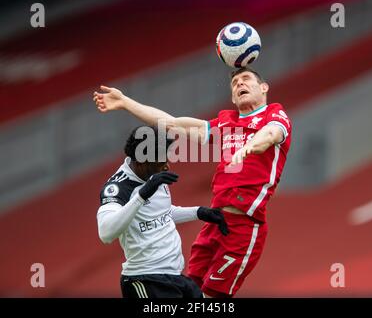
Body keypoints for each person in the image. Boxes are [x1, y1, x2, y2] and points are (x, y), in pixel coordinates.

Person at [93, 67, 292, 297]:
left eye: (246, 79)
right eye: (235, 83)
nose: (239, 84)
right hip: (215, 222)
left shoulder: (275, 115)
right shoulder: (226, 124)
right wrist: (126, 102)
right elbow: (173, 124)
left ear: (264, 87)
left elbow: (270, 135)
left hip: (244, 225)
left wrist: (247, 148)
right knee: (190, 292)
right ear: (232, 97)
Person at [96, 126, 229, 298]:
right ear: (142, 162)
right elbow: (106, 233)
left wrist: (199, 212)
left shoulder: (155, 175)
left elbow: (161, 214)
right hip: (146, 280)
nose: (166, 165)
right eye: (161, 162)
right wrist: (141, 195)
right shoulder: (118, 187)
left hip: (174, 277)